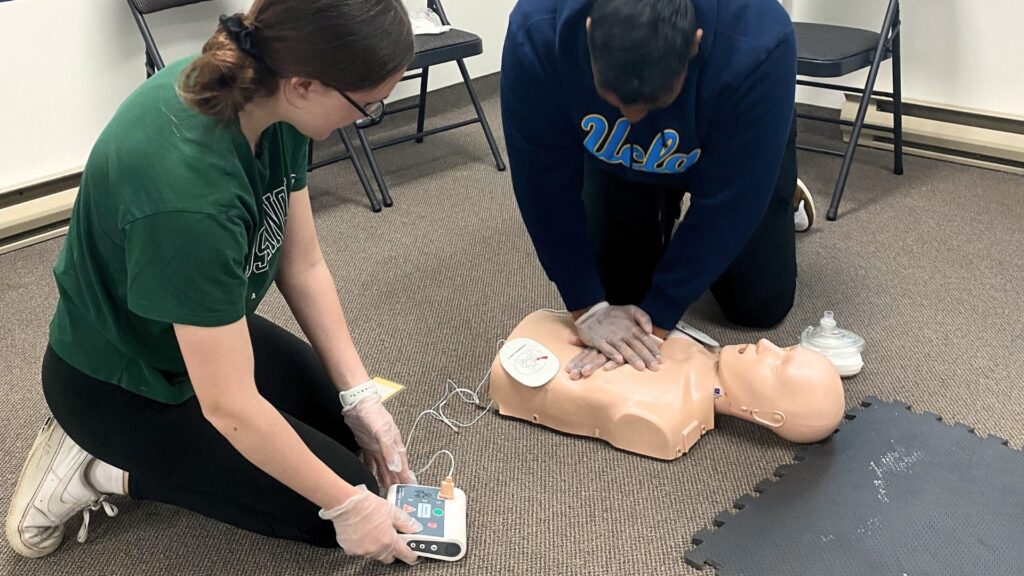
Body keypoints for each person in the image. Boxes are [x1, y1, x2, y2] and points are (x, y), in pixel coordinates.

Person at [6, 0, 424, 565]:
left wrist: (360, 396)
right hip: (117, 382)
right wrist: (348, 506)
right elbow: (229, 406)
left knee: (347, 436)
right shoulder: (189, 198)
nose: (365, 118)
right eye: (367, 106)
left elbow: (301, 264)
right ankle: (95, 467)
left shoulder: (269, 97)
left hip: (191, 331)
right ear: (304, 85)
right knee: (340, 510)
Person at [500, 0, 803, 378]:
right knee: (619, 291)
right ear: (590, 31)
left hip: (730, 144)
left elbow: (732, 201)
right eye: (618, 101)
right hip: (616, 154)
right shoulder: (537, 29)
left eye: (650, 103)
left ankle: (782, 184)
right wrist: (587, 306)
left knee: (758, 308)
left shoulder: (759, 40)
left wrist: (659, 318)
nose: (632, 117)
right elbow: (542, 180)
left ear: (694, 43)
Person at [489, 311, 845, 460]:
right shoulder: (699, 348)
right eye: (784, 349)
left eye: (777, 365)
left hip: (528, 364)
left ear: (770, 417)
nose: (767, 346)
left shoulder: (669, 417)